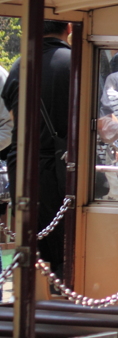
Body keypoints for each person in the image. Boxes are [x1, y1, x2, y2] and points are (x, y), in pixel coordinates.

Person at [1, 20, 73, 278]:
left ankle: (36, 297)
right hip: (63, 167)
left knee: (33, 240)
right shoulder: (75, 63)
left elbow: (11, 117)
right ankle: (62, 294)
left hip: (22, 164)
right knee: (64, 242)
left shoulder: (20, 64)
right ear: (69, 27)